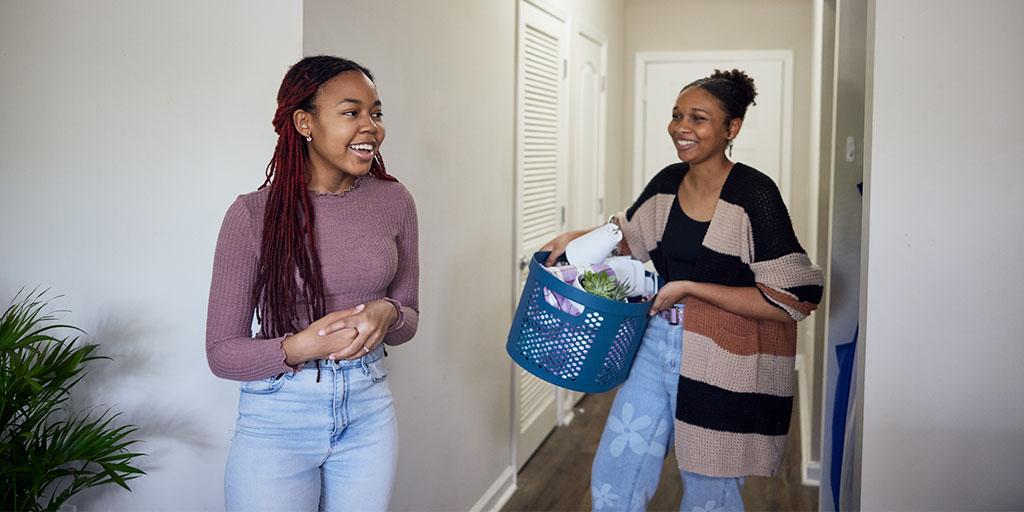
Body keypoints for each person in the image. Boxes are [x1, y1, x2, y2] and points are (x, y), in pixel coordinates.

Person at [543, 69, 823, 511]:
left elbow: (794, 296)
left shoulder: (755, 194)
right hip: (656, 346)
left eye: (698, 118)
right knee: (616, 476)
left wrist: (693, 287)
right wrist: (574, 238)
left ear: (732, 128)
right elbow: (629, 235)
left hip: (726, 360)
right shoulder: (668, 182)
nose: (681, 128)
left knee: (710, 494)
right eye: (676, 116)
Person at [205, 55, 419, 511]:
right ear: (305, 122)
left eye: (376, 113)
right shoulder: (252, 215)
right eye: (351, 112)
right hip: (279, 415)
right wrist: (301, 347)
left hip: (368, 408)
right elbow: (222, 353)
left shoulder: (394, 200)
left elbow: (409, 316)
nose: (371, 127)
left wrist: (388, 312)